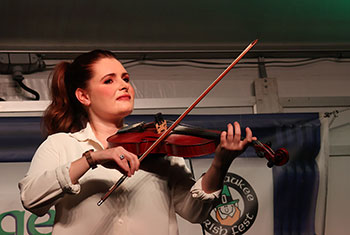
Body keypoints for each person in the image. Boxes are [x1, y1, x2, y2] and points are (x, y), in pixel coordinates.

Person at [18, 50, 255, 235]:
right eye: (109, 81)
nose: (124, 85)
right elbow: (32, 200)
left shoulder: (159, 146)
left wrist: (220, 164)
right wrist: (91, 159)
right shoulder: (60, 145)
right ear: (84, 96)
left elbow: (194, 212)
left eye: (126, 78)